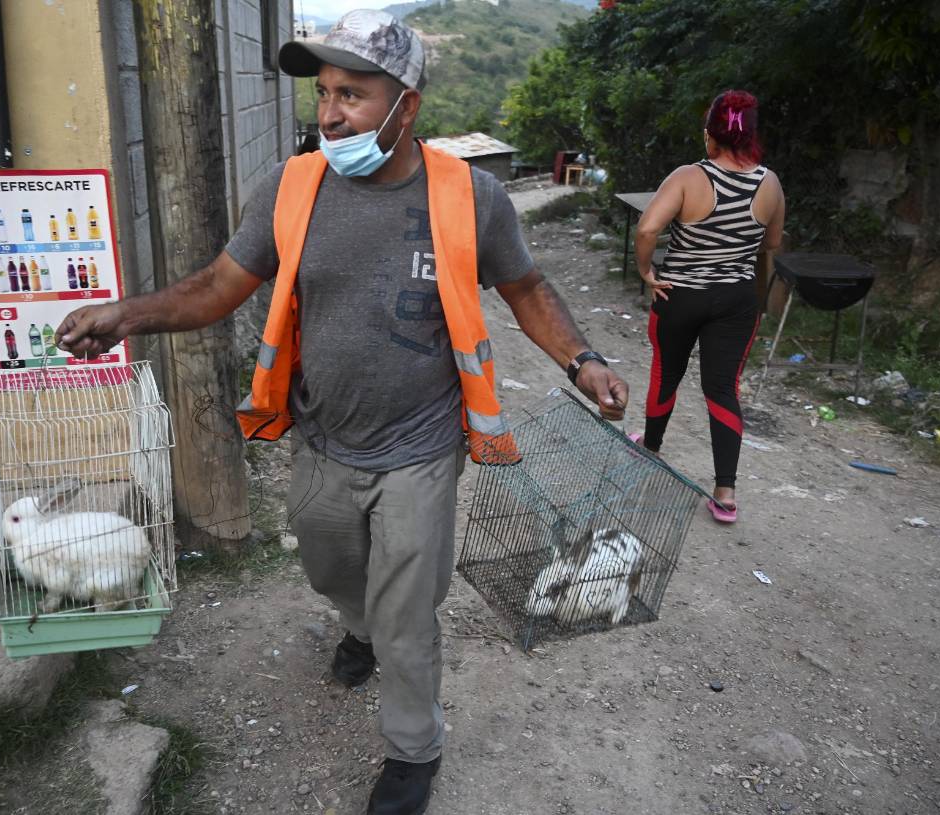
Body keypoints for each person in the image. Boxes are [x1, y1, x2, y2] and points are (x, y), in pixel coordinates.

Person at [56, 10, 629, 813]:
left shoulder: (472, 197)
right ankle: (356, 623)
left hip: (423, 446)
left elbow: (526, 288)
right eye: (323, 92)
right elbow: (220, 285)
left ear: (407, 107)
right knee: (329, 561)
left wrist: (583, 358)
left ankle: (411, 753)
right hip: (323, 437)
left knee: (409, 612)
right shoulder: (293, 188)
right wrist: (126, 315)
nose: (329, 113)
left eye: (352, 95)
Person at [634, 89, 785, 524]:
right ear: (752, 135)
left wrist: (647, 272)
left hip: (679, 295)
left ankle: (651, 450)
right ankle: (726, 493)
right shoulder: (769, 183)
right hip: (737, 301)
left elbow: (647, 229)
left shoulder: (687, 177)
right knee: (722, 388)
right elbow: (771, 243)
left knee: (667, 372)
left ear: (709, 135)